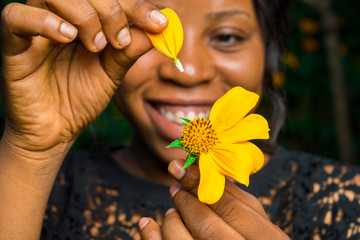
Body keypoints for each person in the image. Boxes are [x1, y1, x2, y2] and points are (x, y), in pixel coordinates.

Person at [0, 0, 359, 239]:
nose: (187, 73)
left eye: (227, 36)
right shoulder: (48, 188)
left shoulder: (348, 200)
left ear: (270, 53)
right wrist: (32, 149)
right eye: (156, 37)